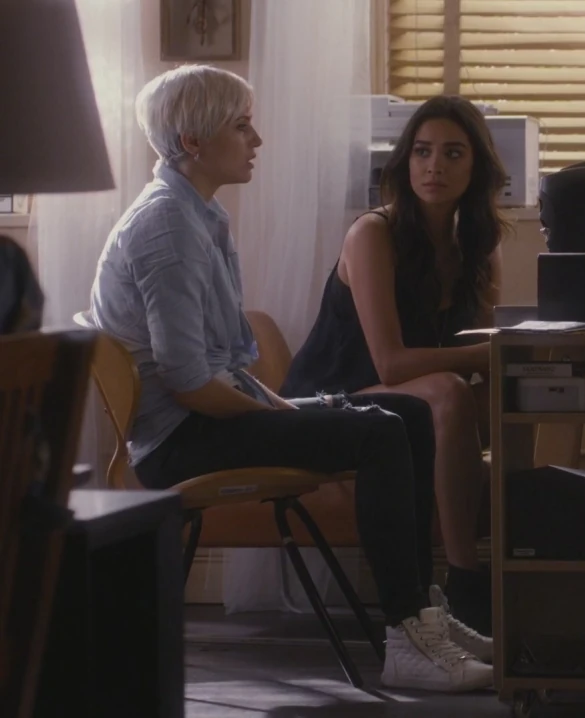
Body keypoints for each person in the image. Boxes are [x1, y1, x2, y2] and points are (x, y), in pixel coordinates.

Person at [86, 65, 492, 692]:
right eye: (241, 126)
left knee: (409, 415)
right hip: (180, 441)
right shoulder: (168, 227)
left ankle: (419, 621)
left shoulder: (200, 216)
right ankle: (405, 633)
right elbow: (189, 384)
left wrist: (281, 403)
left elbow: (221, 368)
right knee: (382, 431)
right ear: (194, 142)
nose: (256, 139)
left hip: (206, 420)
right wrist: (280, 412)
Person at [282, 96, 502, 637]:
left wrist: (513, 361)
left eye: (453, 153)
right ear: (405, 162)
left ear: (476, 168)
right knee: (451, 392)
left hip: (403, 399)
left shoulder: (479, 247)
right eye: (422, 152)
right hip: (330, 400)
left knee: (513, 393)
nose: (434, 166)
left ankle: (537, 561)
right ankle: (465, 580)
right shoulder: (372, 233)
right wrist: (487, 356)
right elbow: (392, 362)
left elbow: (483, 351)